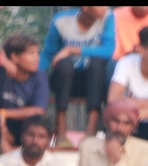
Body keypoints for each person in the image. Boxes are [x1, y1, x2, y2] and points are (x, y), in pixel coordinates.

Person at [41, 6, 114, 140]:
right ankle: (61, 126)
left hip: (93, 83)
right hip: (64, 81)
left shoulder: (107, 17)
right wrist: (36, 76)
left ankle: (92, 126)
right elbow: (48, 53)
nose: (105, 8)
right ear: (86, 8)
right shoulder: (61, 21)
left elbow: (108, 50)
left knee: (97, 63)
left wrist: (71, 49)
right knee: (64, 63)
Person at [0, 34, 48, 152]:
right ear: (15, 56)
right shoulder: (0, 70)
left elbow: (39, 110)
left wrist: (4, 113)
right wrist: (2, 60)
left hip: (27, 127)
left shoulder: (39, 76)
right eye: (31, 53)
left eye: (37, 53)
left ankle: (11, 157)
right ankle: (10, 157)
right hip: (3, 127)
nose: (37, 58)